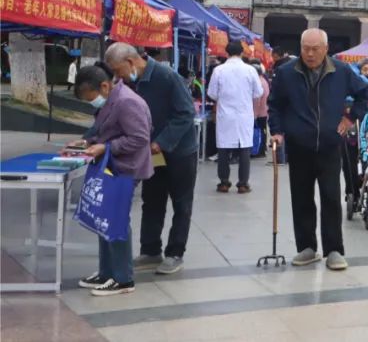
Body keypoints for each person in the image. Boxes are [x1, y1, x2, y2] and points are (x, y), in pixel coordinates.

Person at [267, 28, 368, 270]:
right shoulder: (286, 72)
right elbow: (275, 105)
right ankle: (307, 247)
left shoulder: (341, 71)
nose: (310, 54)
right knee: (301, 197)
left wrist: (350, 118)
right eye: (306, 48)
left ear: (326, 49)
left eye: (315, 49)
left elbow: (366, 92)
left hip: (329, 145)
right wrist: (277, 130)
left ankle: (334, 249)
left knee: (331, 197)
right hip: (299, 145)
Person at [103, 43, 197, 276]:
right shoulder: (129, 84)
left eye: (118, 71)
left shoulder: (167, 77)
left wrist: (161, 142)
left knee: (181, 203)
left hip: (179, 151)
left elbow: (186, 113)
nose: (117, 77)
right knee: (152, 199)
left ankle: (175, 252)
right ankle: (150, 250)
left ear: (130, 62)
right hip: (150, 153)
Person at [74, 63, 153, 296]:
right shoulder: (111, 99)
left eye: (91, 98)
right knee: (104, 219)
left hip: (126, 168)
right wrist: (88, 142)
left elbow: (139, 138)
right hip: (112, 166)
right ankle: (107, 272)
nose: (92, 103)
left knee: (116, 220)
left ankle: (123, 278)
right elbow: (106, 129)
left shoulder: (127, 102)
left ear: (104, 86)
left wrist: (106, 147)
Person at [207, 41, 264, 194]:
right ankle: (243, 184)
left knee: (224, 148)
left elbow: (212, 93)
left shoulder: (218, 70)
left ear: (226, 53)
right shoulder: (250, 70)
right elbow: (258, 92)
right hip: (244, 115)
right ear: (241, 53)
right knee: (245, 147)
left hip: (225, 115)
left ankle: (224, 182)